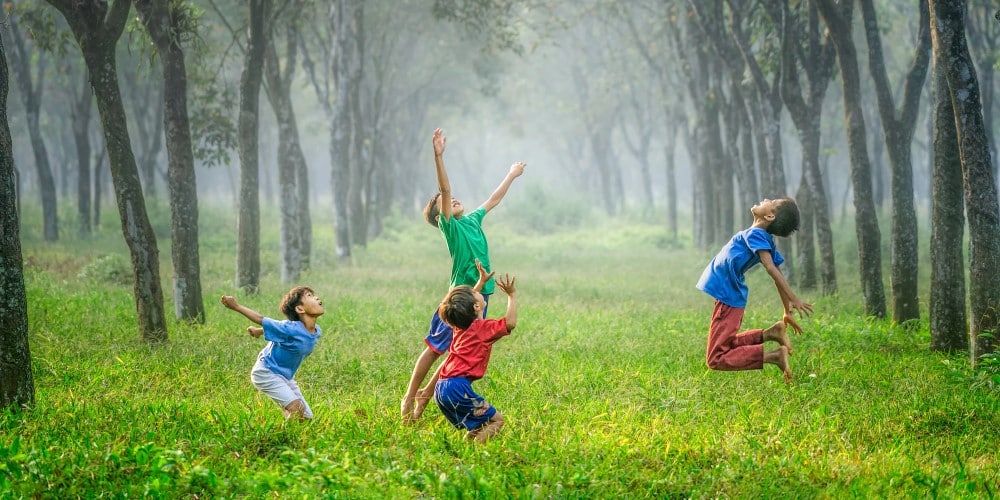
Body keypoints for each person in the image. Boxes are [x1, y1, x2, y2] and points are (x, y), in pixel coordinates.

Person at [400, 128, 526, 422]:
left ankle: (422, 404)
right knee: (435, 349)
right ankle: (410, 398)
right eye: (443, 202)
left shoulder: (471, 220)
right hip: (459, 297)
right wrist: (438, 156)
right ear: (438, 215)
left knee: (458, 352)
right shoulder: (451, 227)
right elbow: (444, 189)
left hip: (481, 295)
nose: (451, 199)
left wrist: (511, 175)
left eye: (453, 198)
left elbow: (493, 200)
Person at [695, 197, 813, 383]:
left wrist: (793, 298)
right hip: (728, 296)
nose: (766, 199)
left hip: (728, 297)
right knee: (726, 345)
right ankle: (770, 334)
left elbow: (772, 268)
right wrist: (786, 310)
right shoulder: (760, 237)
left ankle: (773, 357)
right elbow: (777, 273)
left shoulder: (757, 235)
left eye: (771, 201)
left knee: (716, 358)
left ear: (769, 215)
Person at [434, 272, 517, 443]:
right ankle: (475, 454)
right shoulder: (482, 328)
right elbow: (510, 323)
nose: (477, 291)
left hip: (442, 387)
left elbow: (464, 305)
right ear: (476, 307)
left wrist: (480, 282)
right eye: (475, 293)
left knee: (480, 423)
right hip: (458, 389)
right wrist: (512, 295)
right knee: (497, 420)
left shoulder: (460, 326)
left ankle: (466, 448)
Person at [221, 286, 325, 420]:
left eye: (314, 294)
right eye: (309, 296)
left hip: (285, 377)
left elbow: (280, 330)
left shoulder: (316, 331)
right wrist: (236, 306)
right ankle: (279, 437)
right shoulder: (290, 328)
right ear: (300, 309)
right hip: (266, 372)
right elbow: (261, 319)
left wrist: (258, 331)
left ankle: (290, 427)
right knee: (296, 409)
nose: (316, 297)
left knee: (306, 417)